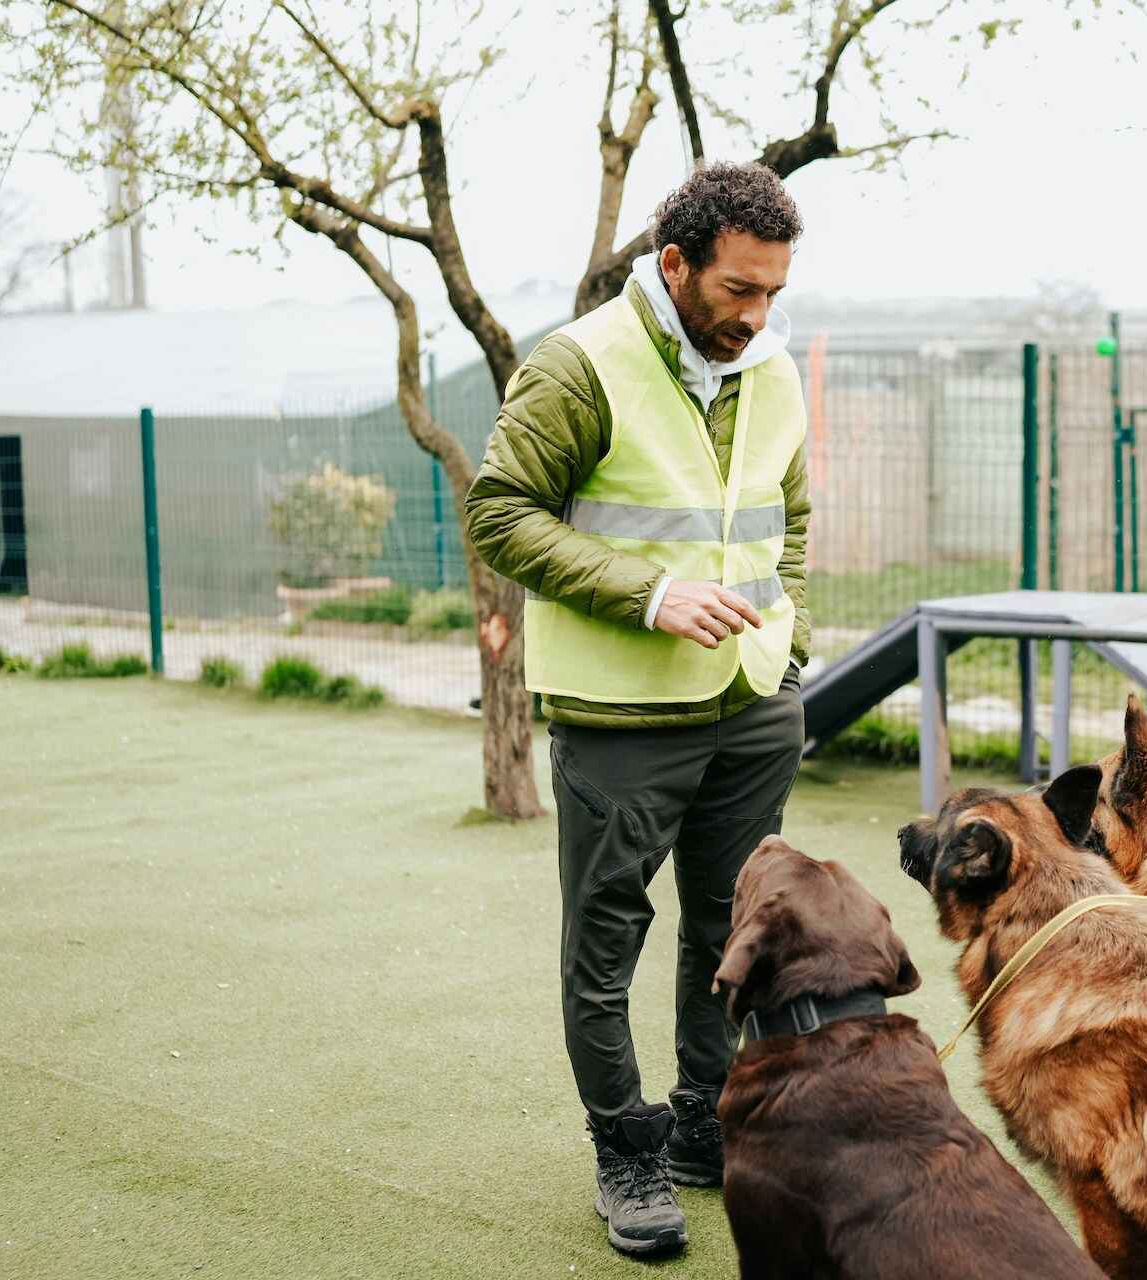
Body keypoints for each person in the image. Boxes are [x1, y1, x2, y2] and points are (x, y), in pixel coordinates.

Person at [463, 160, 810, 1259]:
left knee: (736, 929)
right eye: (737, 291)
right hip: (619, 718)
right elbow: (499, 514)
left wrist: (786, 634)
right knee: (606, 940)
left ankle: (709, 1126)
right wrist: (648, 593)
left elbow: (787, 513)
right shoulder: (577, 367)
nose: (756, 317)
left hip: (754, 703)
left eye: (773, 295)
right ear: (675, 264)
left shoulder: (776, 367)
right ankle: (628, 1151)